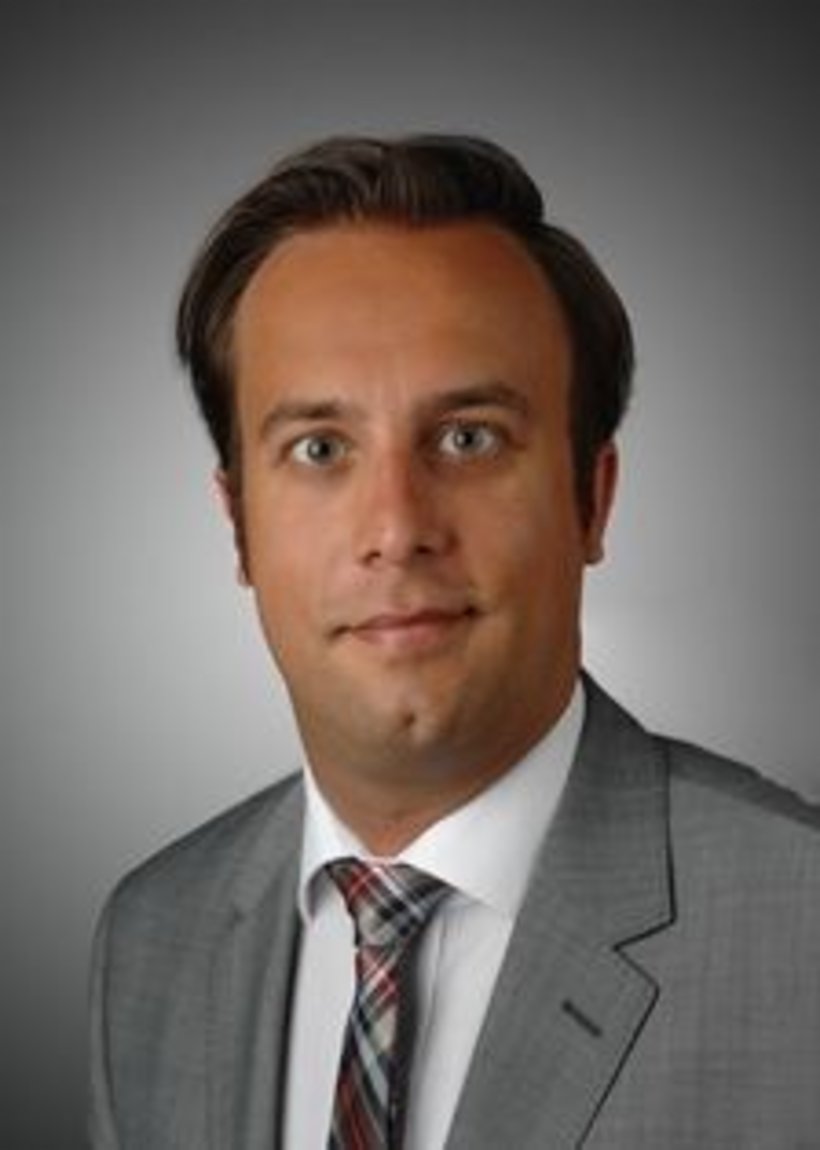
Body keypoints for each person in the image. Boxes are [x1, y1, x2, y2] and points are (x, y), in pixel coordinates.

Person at [88, 134, 820, 1149]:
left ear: (592, 499)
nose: (397, 527)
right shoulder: (151, 939)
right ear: (238, 524)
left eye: (468, 437)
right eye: (319, 448)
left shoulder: (799, 925)